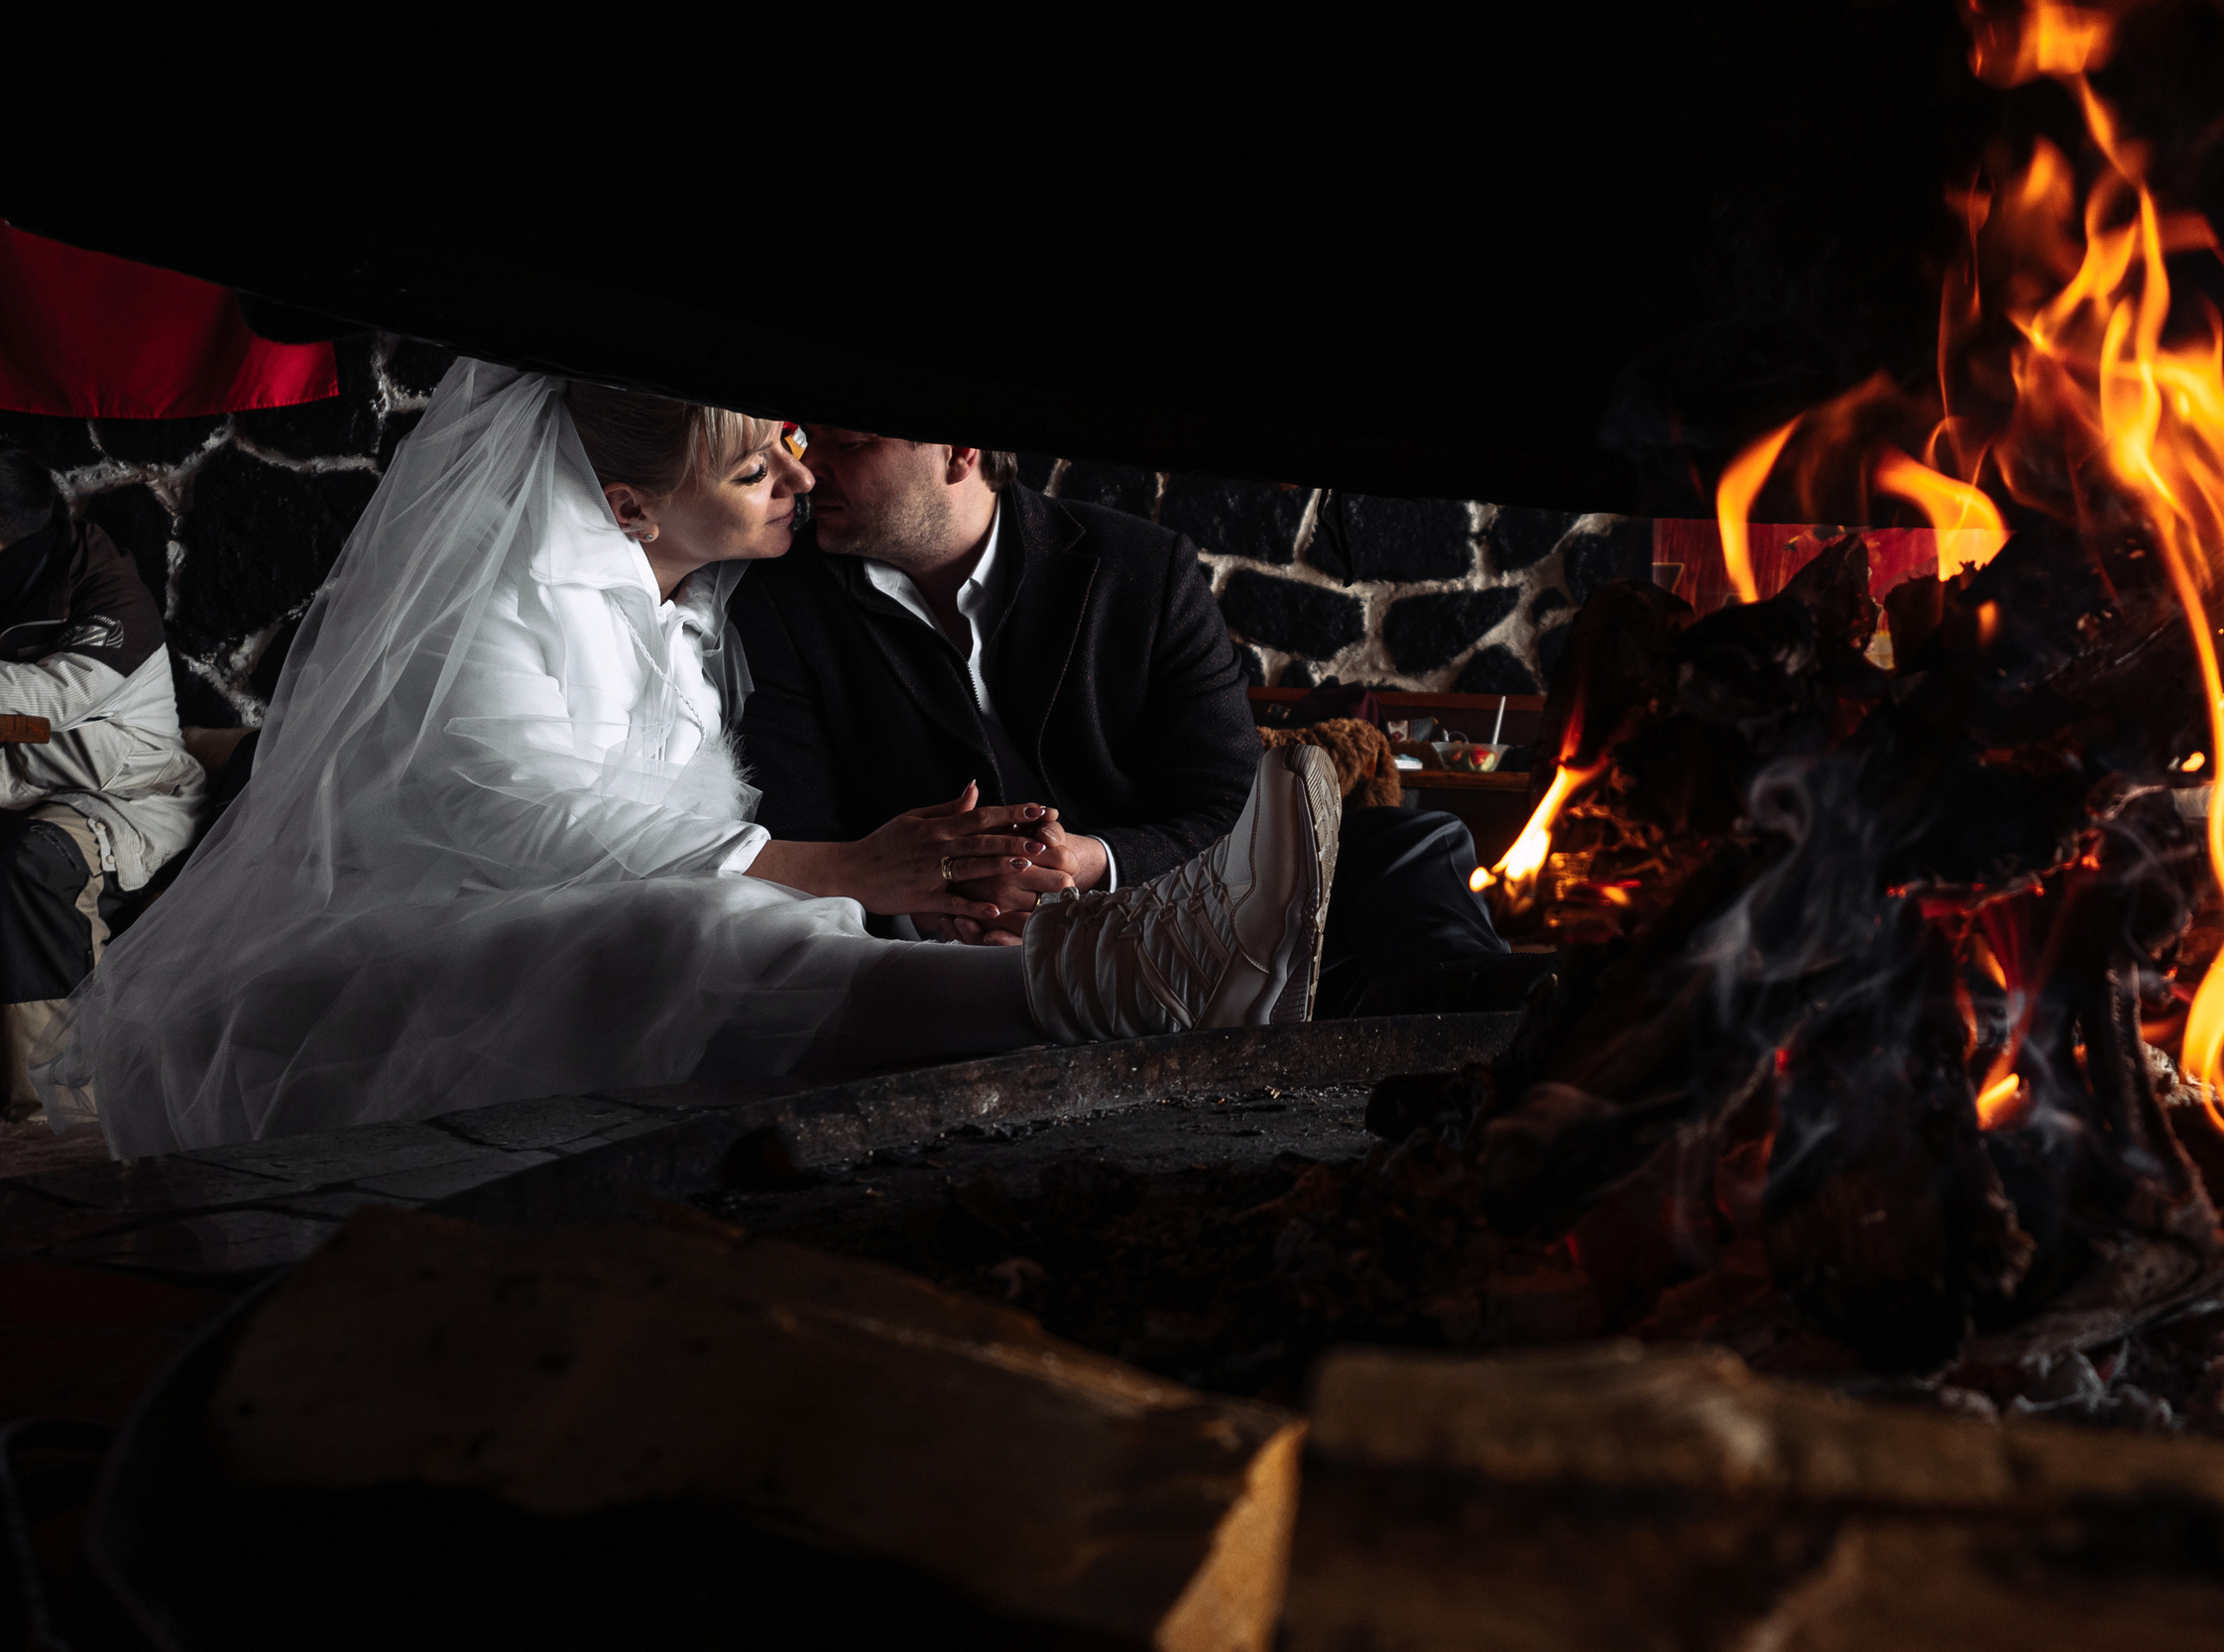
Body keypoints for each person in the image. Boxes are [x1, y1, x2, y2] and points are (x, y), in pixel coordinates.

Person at [35, 367, 1338, 1157]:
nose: (797, 473)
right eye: (758, 460)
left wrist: (919, 879)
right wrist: (842, 865)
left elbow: (1203, 785)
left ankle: (1111, 976)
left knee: (714, 928)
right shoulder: (495, 612)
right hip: (396, 959)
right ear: (630, 507)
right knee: (663, 936)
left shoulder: (709, 608)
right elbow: (514, 808)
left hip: (589, 927)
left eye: (801, 447)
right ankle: (1105, 991)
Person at [728, 431, 1516, 1006]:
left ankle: (1482, 1026)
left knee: (1410, 842)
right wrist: (954, 901)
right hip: (955, 934)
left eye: (850, 443)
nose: (806, 468)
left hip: (1168, 895)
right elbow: (806, 831)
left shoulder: (1141, 568)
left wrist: (1091, 861)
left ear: (959, 451)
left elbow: (1233, 804)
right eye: (806, 437)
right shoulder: (782, 600)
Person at [0, 440, 208, 1116]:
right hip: (28, 757)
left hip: (122, 792)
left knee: (32, 864)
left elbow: (50, 705)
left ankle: (57, 1104)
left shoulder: (105, 582)